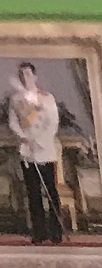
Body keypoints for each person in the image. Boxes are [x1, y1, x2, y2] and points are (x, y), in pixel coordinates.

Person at [6, 64, 63, 246]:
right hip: (27, 151)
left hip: (45, 150)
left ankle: (56, 232)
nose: (25, 77)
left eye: (28, 74)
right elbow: (13, 122)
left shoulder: (47, 98)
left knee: (51, 191)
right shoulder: (15, 99)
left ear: (35, 76)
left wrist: (39, 140)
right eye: (21, 74)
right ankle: (39, 232)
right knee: (33, 193)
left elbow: (53, 122)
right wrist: (25, 138)